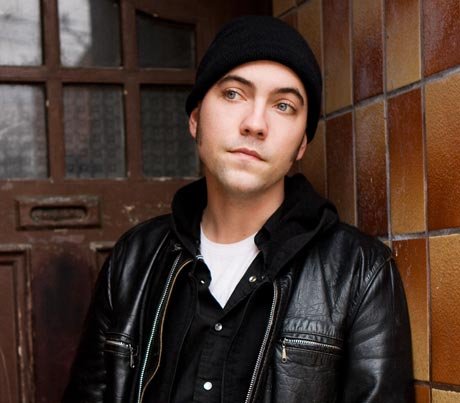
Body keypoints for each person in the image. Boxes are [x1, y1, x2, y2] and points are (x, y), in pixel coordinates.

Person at [62, 15, 413, 403]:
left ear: (301, 143)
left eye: (283, 106)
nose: (255, 123)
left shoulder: (360, 273)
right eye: (233, 94)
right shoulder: (134, 259)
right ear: (196, 118)